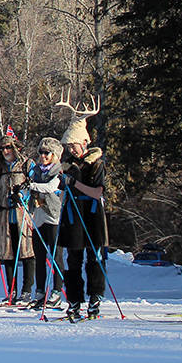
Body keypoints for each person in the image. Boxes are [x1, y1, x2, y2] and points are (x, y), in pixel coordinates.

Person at [56, 99, 106, 321]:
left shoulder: (96, 163)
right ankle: (74, 301)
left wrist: (73, 184)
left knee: (94, 258)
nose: (71, 149)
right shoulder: (68, 163)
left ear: (85, 142)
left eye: (74, 145)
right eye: (68, 146)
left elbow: (97, 192)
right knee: (73, 260)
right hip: (72, 215)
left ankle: (95, 298)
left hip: (92, 214)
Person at [0, 131, 35, 305]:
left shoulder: (27, 164)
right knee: (8, 254)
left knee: (27, 252)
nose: (5, 151)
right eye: (2, 149)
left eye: (8, 147)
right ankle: (11, 291)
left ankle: (27, 290)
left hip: (22, 213)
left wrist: (23, 194)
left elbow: (34, 186)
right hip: (5, 214)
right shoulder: (1, 170)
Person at [26, 138, 65, 309]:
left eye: (46, 153)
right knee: (39, 256)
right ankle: (40, 291)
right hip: (39, 214)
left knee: (55, 255)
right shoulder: (35, 171)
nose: (42, 156)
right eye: (41, 153)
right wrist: (21, 191)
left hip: (54, 215)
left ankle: (56, 291)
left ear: (54, 155)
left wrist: (31, 185)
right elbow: (28, 187)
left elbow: (50, 187)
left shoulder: (59, 171)